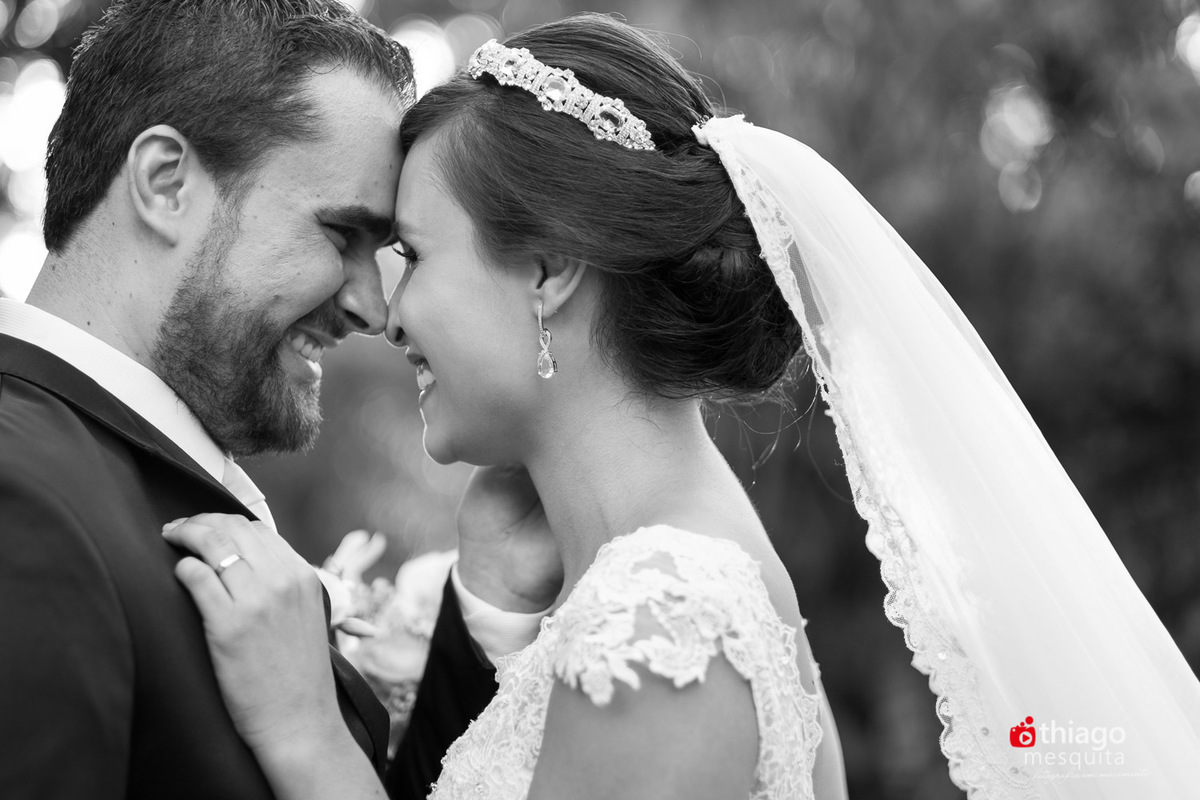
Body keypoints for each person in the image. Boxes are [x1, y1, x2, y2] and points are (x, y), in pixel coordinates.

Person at [163, 12, 1200, 800]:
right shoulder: (654, 587)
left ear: (551, 268)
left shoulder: (668, 620)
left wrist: (307, 735)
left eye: (416, 256)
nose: (388, 313)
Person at [0, 2, 558, 799]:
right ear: (165, 183)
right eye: (341, 237)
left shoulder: (124, 474)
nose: (373, 307)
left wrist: (489, 604)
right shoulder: (20, 495)